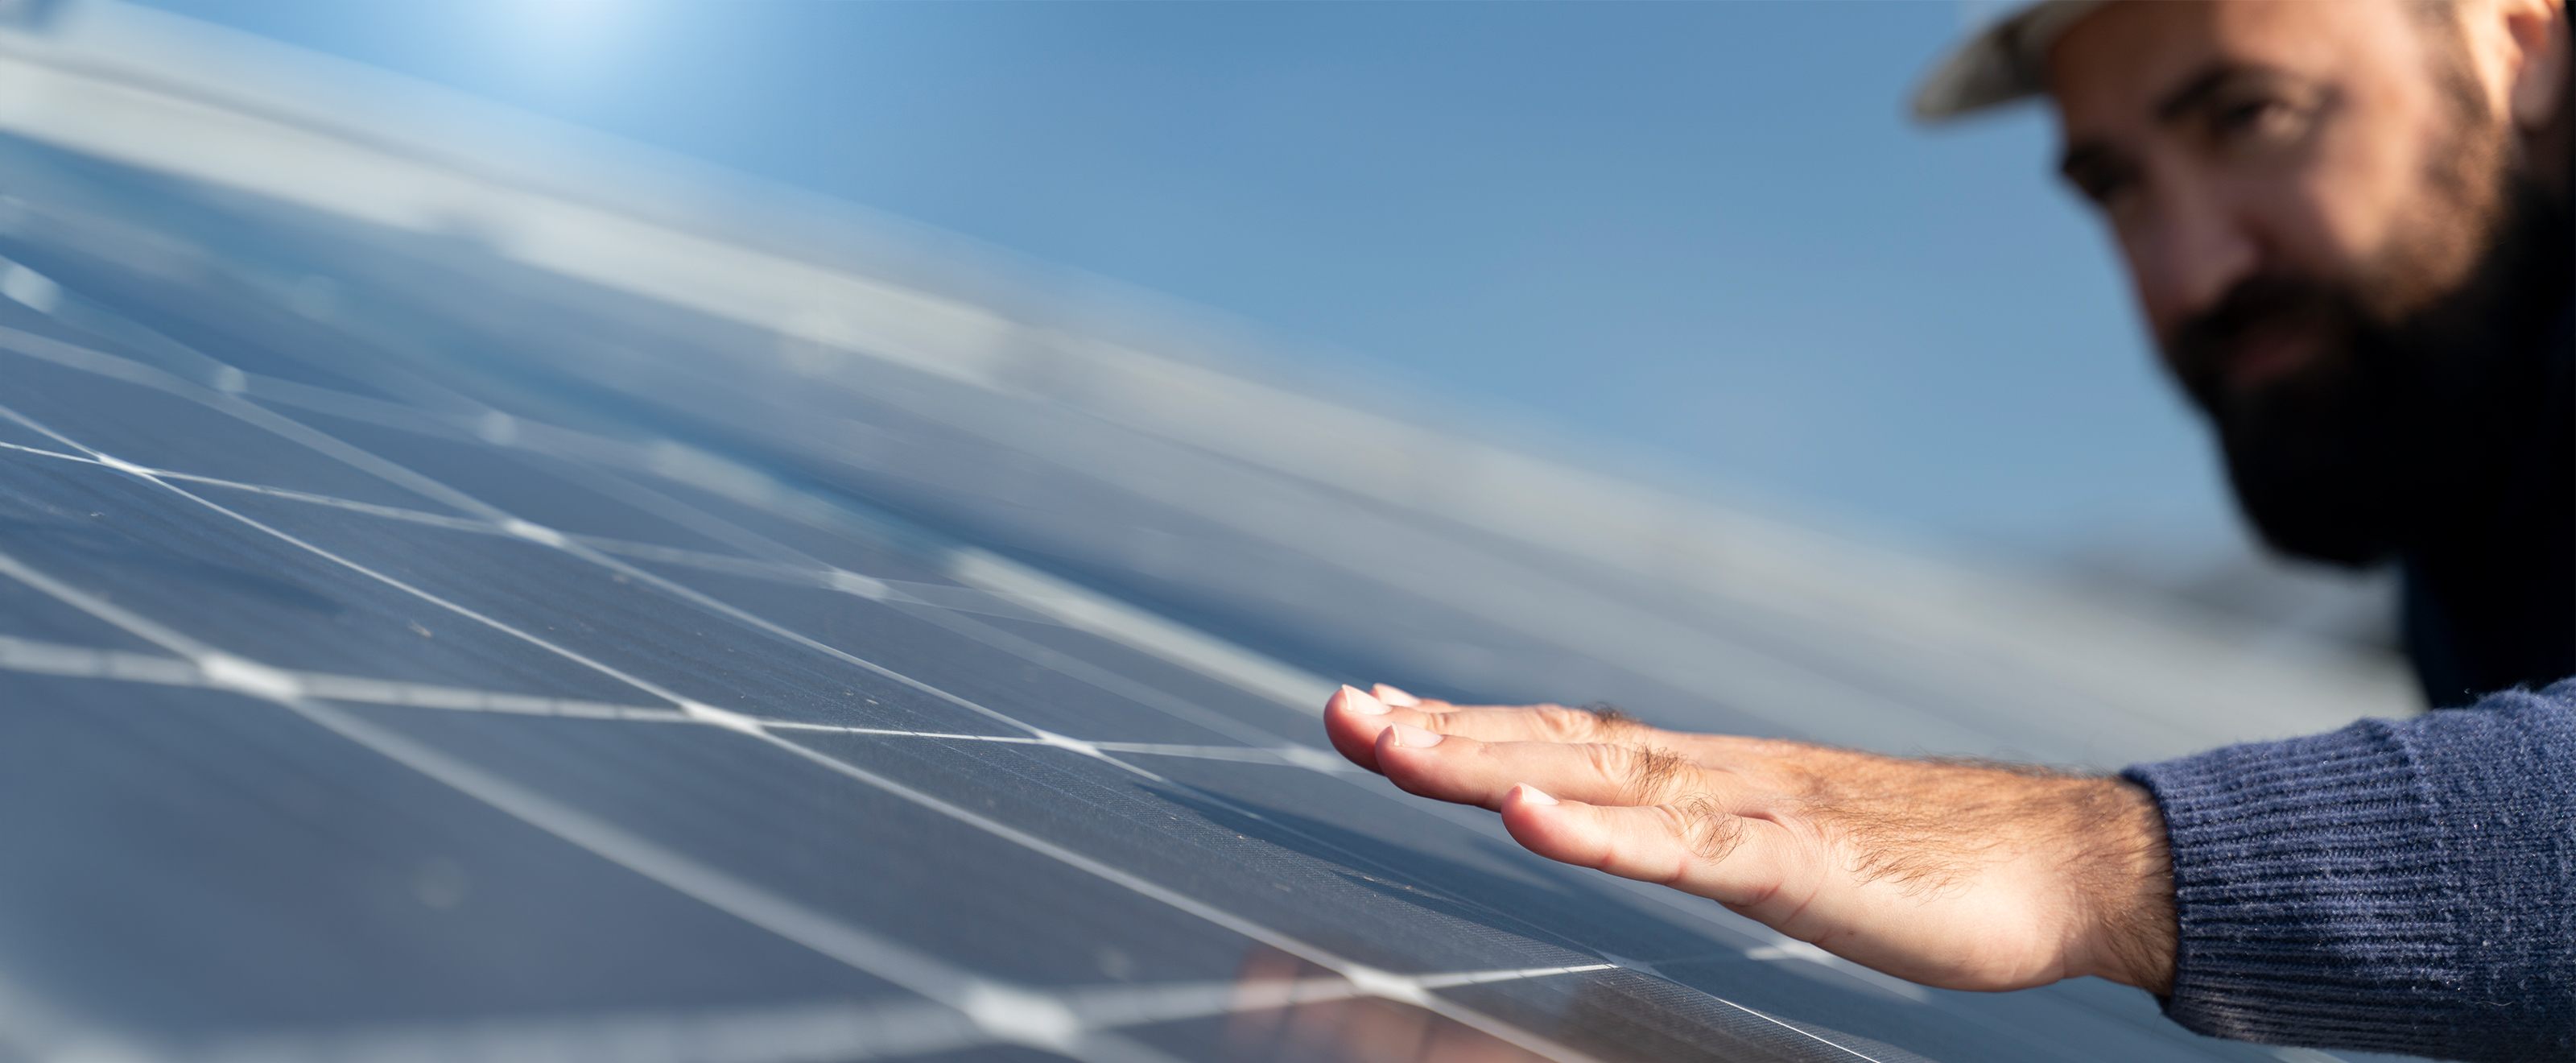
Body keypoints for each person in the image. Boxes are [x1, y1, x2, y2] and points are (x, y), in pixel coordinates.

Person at [1321, 2, 2574, 1059]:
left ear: (2524, 40)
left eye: (2254, 114)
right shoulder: (2463, 488)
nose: (2191, 270)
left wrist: (2104, 857)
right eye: (2119, 187)